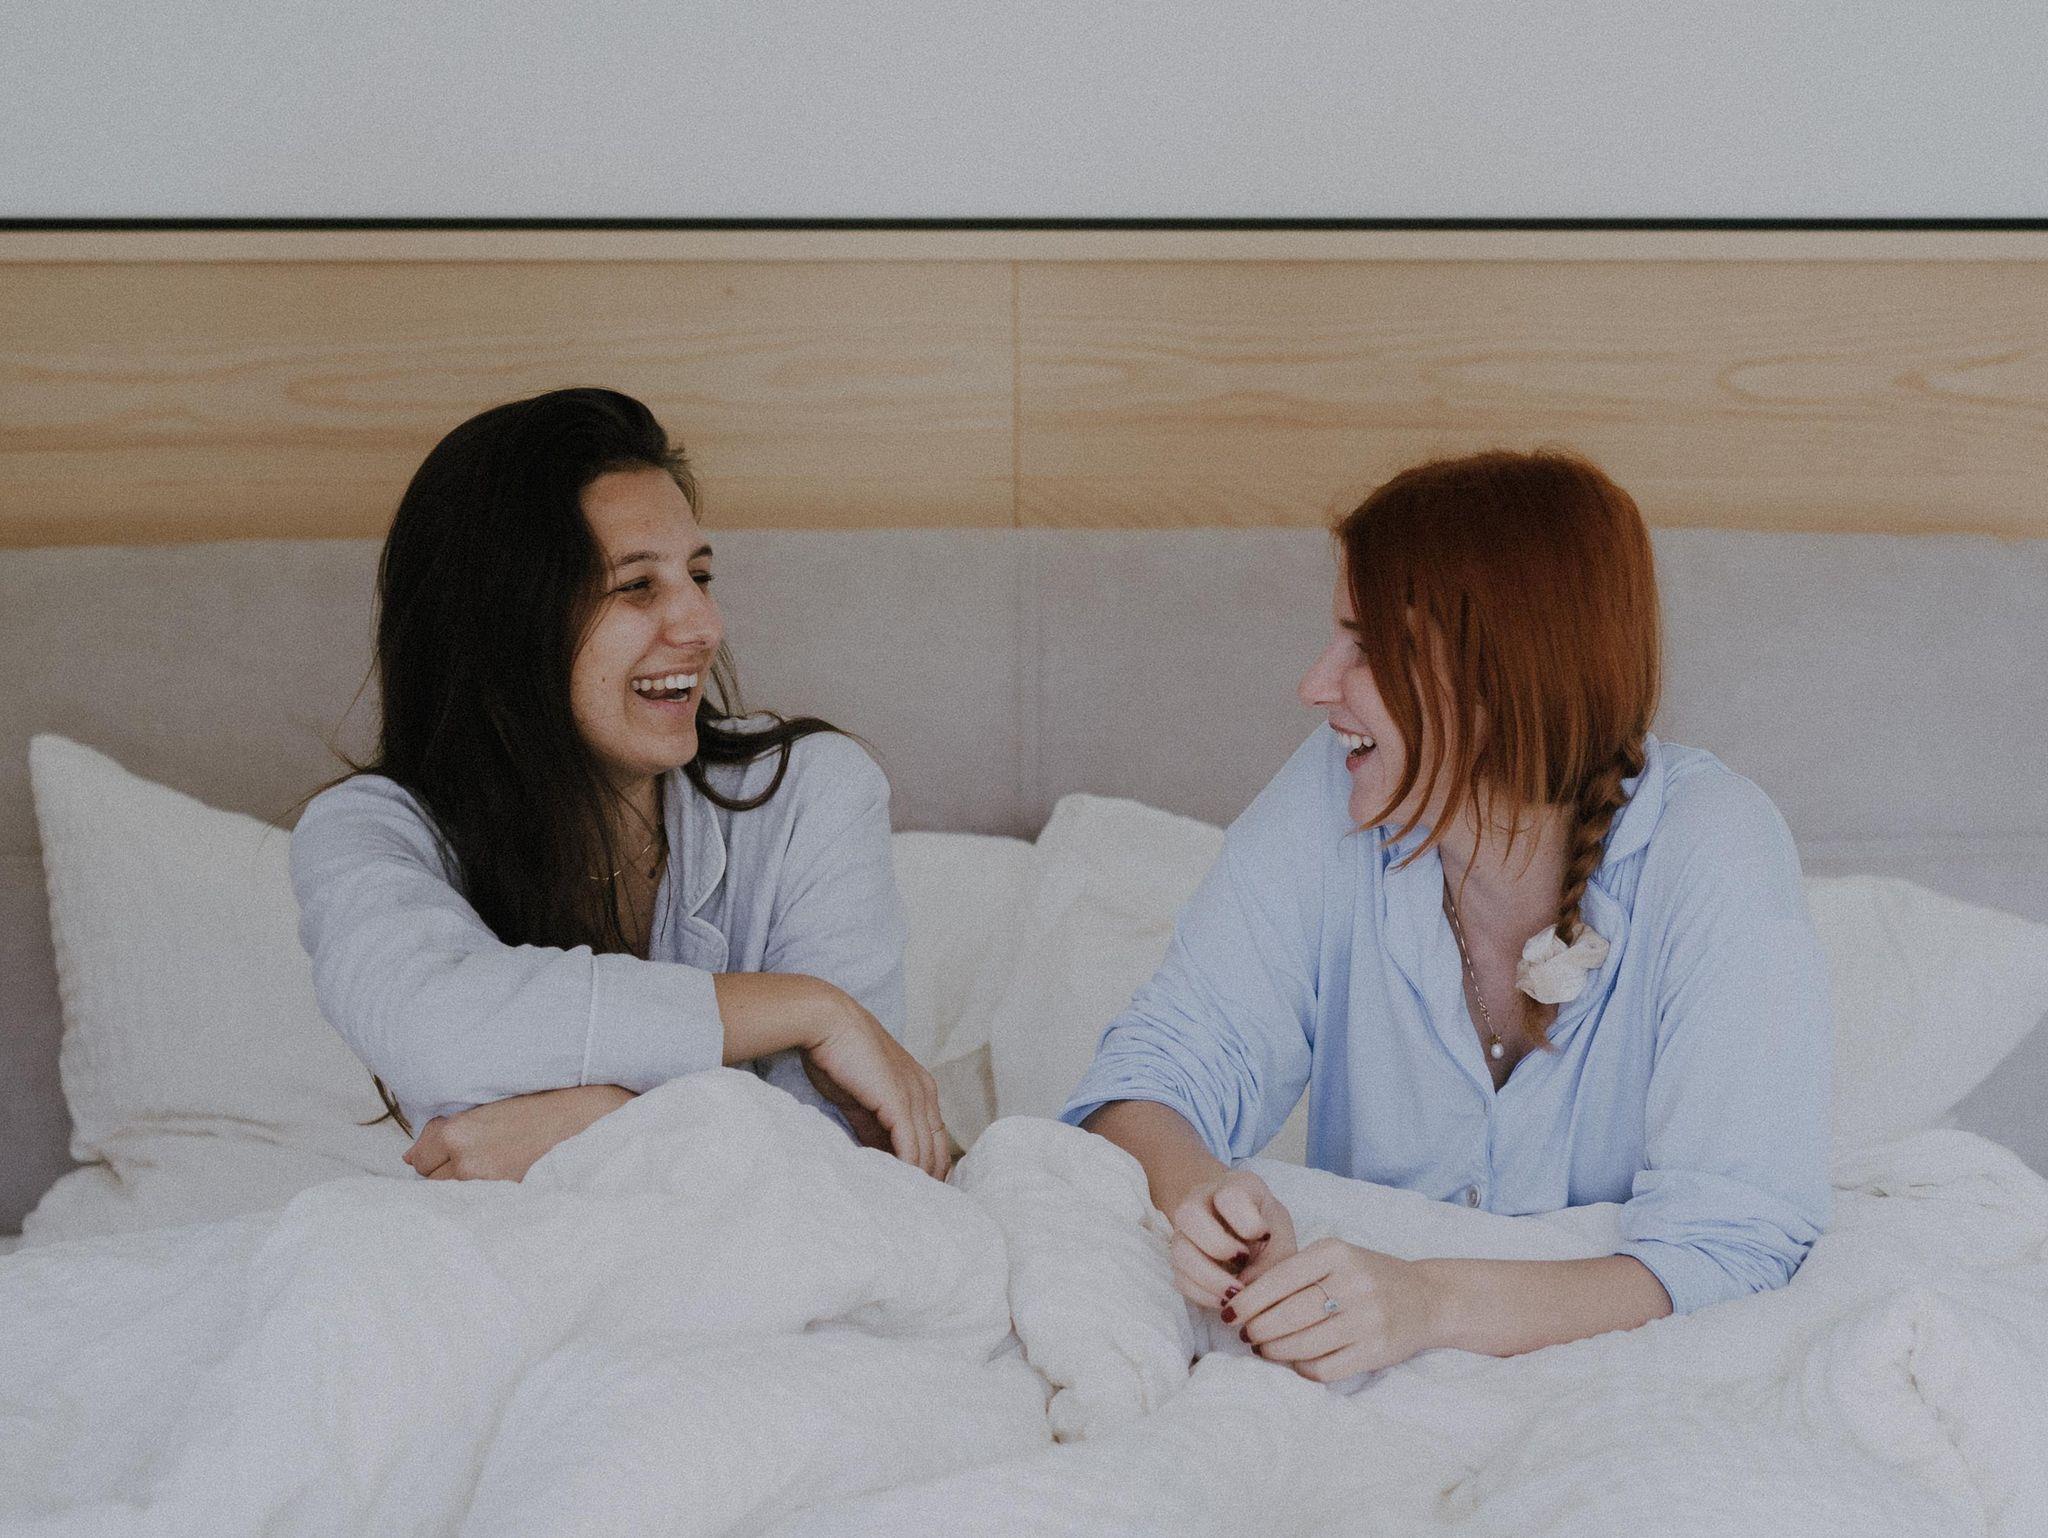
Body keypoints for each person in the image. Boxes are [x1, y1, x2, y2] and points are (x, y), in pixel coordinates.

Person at [1064, 448, 1831, 1382]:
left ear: (1494, 679)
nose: (1316, 685)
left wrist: (1432, 1302)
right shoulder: (1333, 791)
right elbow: (1152, 1077)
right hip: (1354, 1390)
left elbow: (1737, 1250)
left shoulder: (1714, 846)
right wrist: (1208, 1207)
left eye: (1365, 649)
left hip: (1620, 1394)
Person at [290, 388, 948, 1184]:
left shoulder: (812, 794)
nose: (703, 626)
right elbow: (437, 1033)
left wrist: (599, 1125)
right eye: (637, 586)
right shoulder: (367, 833)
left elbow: (842, 1149)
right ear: (505, 622)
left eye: (699, 575)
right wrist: (808, 1008)